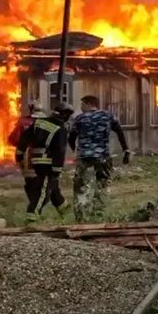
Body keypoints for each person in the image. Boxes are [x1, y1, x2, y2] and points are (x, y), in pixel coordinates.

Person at [69, 95, 131, 223]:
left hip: (84, 157)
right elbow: (119, 131)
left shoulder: (79, 118)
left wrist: (73, 148)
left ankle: (81, 218)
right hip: (102, 156)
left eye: (82, 105)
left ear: (87, 104)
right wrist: (125, 149)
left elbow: (71, 136)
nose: (81, 107)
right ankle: (99, 214)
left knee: (81, 187)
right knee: (103, 184)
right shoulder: (107, 116)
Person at [15, 102, 75, 222]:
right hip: (48, 163)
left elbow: (24, 138)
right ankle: (32, 217)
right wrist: (57, 170)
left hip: (35, 160)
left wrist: (19, 155)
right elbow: (60, 151)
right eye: (68, 115)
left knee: (54, 190)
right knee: (43, 191)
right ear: (63, 115)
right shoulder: (60, 128)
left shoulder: (39, 122)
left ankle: (67, 214)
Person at [8, 100, 46, 207]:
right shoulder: (50, 122)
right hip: (46, 156)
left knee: (29, 180)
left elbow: (13, 139)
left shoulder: (23, 122)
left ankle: (33, 201)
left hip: (28, 156)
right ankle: (40, 201)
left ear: (30, 109)